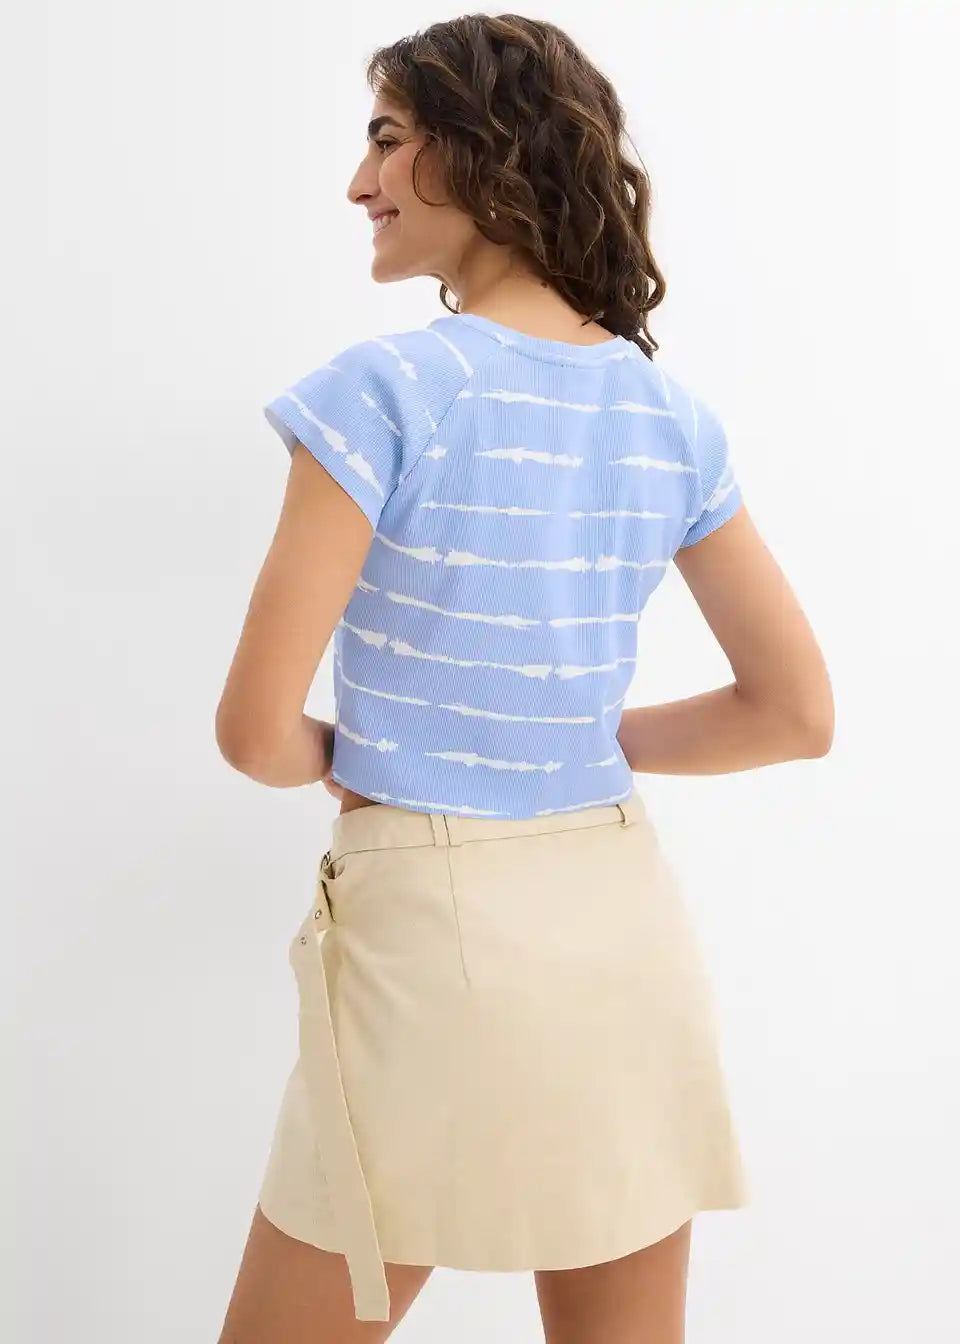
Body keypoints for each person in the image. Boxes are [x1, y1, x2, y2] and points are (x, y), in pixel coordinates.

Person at [214, 13, 834, 1343]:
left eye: (387, 138)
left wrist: (364, 756)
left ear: (482, 150)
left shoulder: (382, 393)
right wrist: (567, 733)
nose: (359, 182)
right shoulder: (668, 417)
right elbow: (794, 713)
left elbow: (256, 733)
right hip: (621, 921)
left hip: (432, 936)